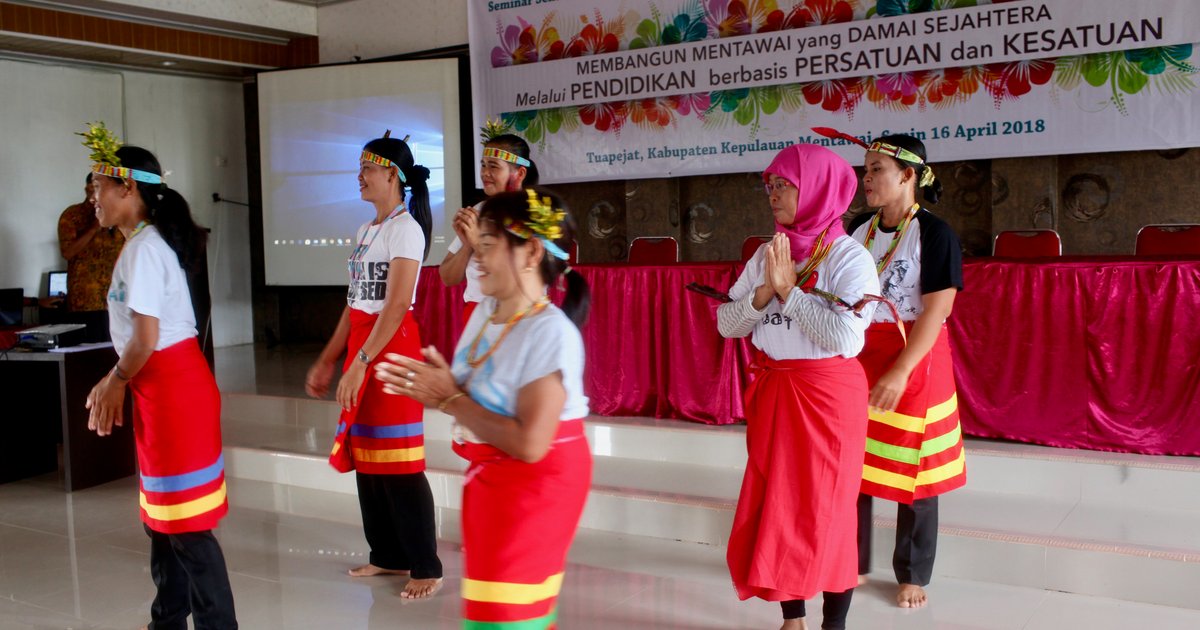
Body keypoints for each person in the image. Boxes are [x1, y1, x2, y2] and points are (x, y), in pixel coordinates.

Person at [376, 188, 592, 630]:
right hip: (493, 476)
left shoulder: (551, 333)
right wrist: (440, 384)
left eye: (488, 244)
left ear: (531, 251)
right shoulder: (488, 311)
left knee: (505, 617)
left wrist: (449, 398)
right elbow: (477, 391)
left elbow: (531, 444)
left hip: (535, 487)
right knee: (496, 616)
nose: (477, 255)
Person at [79, 123, 237, 629]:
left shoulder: (146, 248)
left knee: (186, 527)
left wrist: (114, 380)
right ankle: (166, 621)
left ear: (129, 188)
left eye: (99, 185)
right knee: (163, 523)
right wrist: (123, 379)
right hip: (161, 387)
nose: (92, 196)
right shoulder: (140, 244)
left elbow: (145, 339)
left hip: (170, 388)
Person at [718, 144, 879, 630]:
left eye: (784, 184)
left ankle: (834, 622)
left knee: (829, 511)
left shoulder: (852, 259)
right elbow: (728, 324)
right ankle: (793, 617)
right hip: (776, 393)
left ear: (818, 189)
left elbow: (846, 339)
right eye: (770, 185)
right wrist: (765, 291)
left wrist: (789, 292)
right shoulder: (770, 253)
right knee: (779, 506)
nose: (773, 194)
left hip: (828, 398)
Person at [304, 131, 443, 599]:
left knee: (399, 463)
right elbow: (354, 304)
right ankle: (387, 554)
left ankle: (425, 563)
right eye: (360, 168)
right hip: (363, 346)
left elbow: (399, 301)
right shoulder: (365, 232)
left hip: (391, 349)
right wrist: (330, 359)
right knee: (369, 459)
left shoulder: (407, 229)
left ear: (393, 176)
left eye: (368, 168)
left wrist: (362, 362)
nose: (359, 176)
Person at [849, 134, 967, 609]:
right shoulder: (858, 228)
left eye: (876, 169)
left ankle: (912, 572)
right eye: (866, 169)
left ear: (907, 176)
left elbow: (938, 311)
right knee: (852, 462)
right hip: (860, 352)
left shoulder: (936, 234)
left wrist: (900, 371)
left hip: (915, 353)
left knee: (913, 468)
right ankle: (850, 560)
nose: (867, 178)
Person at [439, 129, 539, 326]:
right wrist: (467, 246)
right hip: (476, 315)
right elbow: (448, 278)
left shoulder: (533, 214)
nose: (485, 173)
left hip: (517, 314)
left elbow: (518, 275)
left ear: (519, 173)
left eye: (493, 166)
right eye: (483, 165)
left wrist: (477, 243)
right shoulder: (478, 211)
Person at [57, 171, 125, 341]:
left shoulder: (118, 215)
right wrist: (94, 227)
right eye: (94, 187)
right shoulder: (72, 215)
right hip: (85, 302)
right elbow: (67, 252)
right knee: (89, 356)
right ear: (87, 188)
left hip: (118, 300)